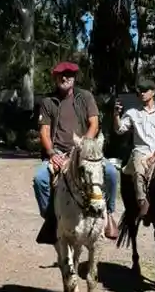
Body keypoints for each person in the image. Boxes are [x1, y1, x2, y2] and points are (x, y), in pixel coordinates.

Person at [34, 61, 118, 241]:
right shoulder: (48, 102)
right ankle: (50, 218)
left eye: (69, 75)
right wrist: (52, 154)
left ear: (74, 78)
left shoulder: (85, 97)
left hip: (84, 150)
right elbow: (44, 132)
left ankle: (109, 213)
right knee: (40, 179)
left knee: (111, 172)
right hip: (58, 152)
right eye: (61, 75)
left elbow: (94, 124)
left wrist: (83, 146)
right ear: (55, 78)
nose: (65, 78)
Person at [113, 78, 155, 220]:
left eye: (145, 90)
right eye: (139, 91)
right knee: (138, 172)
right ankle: (143, 203)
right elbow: (119, 129)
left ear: (153, 92)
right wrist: (116, 115)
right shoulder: (132, 113)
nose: (142, 93)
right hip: (141, 151)